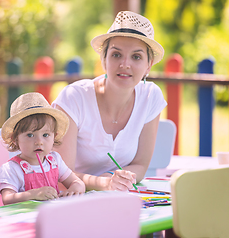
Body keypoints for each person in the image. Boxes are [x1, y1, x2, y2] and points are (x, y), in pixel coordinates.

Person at [52, 11, 167, 192]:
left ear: (149, 65)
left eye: (136, 57)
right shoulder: (74, 98)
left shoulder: (150, 97)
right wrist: (104, 183)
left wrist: (114, 180)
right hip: (71, 202)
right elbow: (60, 176)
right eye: (116, 55)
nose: (125, 64)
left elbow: (140, 166)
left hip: (118, 200)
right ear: (103, 59)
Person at [0, 92, 85, 205]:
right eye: (30, 135)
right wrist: (33, 194)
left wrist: (75, 188)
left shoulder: (54, 161)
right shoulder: (11, 168)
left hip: (52, 216)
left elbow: (77, 182)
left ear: (54, 136)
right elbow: (7, 199)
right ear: (15, 139)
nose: (39, 142)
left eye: (45, 135)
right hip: (24, 219)